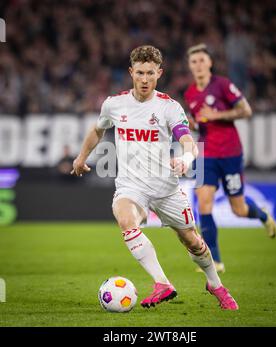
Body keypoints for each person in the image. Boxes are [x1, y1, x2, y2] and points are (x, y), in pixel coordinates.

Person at [71, 45, 238, 310]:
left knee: (192, 242)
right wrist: (81, 158)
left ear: (159, 73)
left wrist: (184, 160)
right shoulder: (114, 104)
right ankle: (162, 283)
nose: (145, 79)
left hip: (166, 189)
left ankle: (215, 284)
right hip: (131, 186)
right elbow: (97, 130)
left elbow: (189, 143)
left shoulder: (169, 107)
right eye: (140, 73)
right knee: (125, 219)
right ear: (131, 72)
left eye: (150, 73)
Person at [184, 43, 276, 273]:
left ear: (210, 63)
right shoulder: (189, 93)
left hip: (230, 153)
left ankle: (263, 216)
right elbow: (200, 124)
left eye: (201, 60)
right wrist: (194, 124)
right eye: (193, 61)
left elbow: (246, 110)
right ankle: (214, 260)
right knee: (203, 202)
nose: (198, 65)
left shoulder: (223, 85)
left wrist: (218, 114)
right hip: (205, 153)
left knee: (239, 209)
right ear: (190, 65)